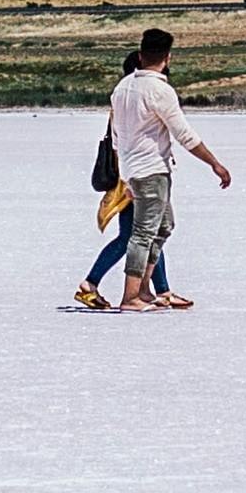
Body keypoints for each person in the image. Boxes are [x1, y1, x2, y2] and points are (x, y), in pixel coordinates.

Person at [105, 25, 231, 311]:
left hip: (133, 169)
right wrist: (214, 163)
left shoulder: (122, 87)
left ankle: (146, 289)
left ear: (140, 55)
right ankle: (130, 297)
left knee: (164, 226)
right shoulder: (159, 90)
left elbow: (116, 137)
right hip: (151, 170)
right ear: (167, 58)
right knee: (143, 233)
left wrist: (124, 173)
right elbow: (184, 134)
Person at [75, 44, 181, 309]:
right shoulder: (131, 101)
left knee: (148, 232)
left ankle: (162, 289)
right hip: (135, 177)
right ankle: (91, 283)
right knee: (136, 236)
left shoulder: (126, 98)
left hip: (132, 175)